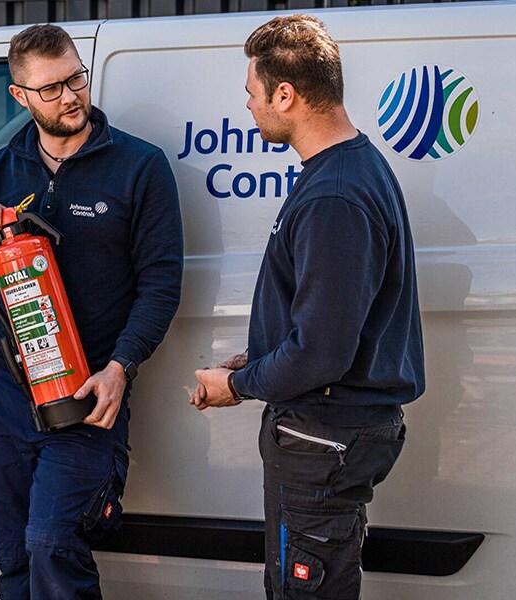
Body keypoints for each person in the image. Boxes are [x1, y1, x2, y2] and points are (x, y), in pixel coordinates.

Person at [190, 15, 424, 600]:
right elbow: (324, 318)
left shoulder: (335, 195)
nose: (248, 105)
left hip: (323, 436)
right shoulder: (342, 171)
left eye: (252, 92)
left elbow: (322, 350)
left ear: (285, 94)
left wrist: (237, 385)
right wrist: (260, 355)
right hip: (328, 433)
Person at [0, 24, 183, 599]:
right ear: (20, 97)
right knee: (12, 555)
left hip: (88, 389)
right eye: (50, 88)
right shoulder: (4, 169)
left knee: (52, 543)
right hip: (8, 389)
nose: (70, 96)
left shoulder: (139, 166)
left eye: (75, 78)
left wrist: (121, 367)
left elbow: (160, 284)